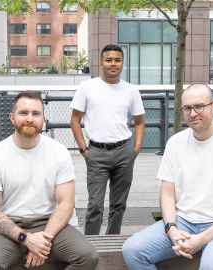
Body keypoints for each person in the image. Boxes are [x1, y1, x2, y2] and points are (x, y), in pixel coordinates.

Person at [122, 84, 213, 270]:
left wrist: (201, 239)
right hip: (183, 222)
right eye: (187, 108)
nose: (193, 113)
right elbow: (167, 194)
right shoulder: (175, 143)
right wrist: (171, 228)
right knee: (133, 250)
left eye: (199, 106)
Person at [0, 91, 98, 269]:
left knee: (88, 257)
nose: (30, 118)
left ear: (44, 119)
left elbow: (66, 203)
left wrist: (42, 241)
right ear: (11, 117)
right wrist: (26, 239)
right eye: (23, 113)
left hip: (50, 223)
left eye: (36, 113)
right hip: (10, 225)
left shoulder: (58, 152)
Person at [70, 44, 145, 235]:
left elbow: (140, 122)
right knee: (95, 205)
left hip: (124, 152)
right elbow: (75, 121)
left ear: (122, 63)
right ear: (101, 62)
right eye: (109, 59)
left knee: (119, 205)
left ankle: (112, 242)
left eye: (117, 60)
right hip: (96, 152)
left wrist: (135, 149)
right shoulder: (87, 87)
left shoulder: (130, 90)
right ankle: (91, 244)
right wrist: (84, 150)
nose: (113, 63)